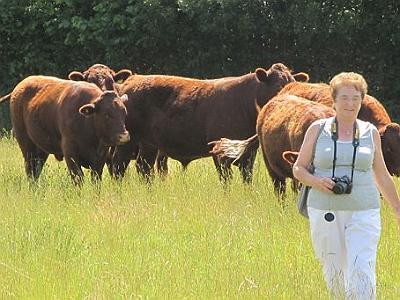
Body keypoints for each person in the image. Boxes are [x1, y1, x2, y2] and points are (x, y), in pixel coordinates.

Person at [293, 72, 400, 299]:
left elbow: (380, 173)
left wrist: (398, 208)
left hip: (364, 211)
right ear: (333, 100)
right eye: (344, 98)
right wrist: (316, 181)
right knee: (334, 270)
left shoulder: (370, 133)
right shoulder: (317, 130)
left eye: (355, 98)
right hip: (324, 210)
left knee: (362, 266)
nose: (350, 104)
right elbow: (298, 168)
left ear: (362, 101)